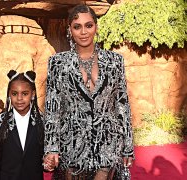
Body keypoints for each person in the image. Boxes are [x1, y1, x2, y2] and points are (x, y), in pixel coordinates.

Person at [43, 4, 134, 180]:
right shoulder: (57, 63)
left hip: (108, 142)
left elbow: (122, 104)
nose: (83, 31)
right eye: (77, 27)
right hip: (72, 144)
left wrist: (128, 147)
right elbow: (52, 108)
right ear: (69, 30)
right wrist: (51, 148)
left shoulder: (115, 61)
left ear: (96, 27)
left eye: (88, 25)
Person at [0, 70, 44, 180]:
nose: (19, 98)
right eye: (14, 94)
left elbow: (44, 158)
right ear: (9, 94)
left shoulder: (41, 122)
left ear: (33, 94)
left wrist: (48, 163)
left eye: (25, 93)